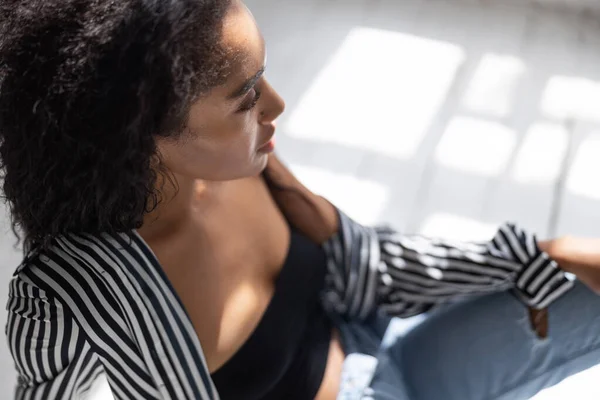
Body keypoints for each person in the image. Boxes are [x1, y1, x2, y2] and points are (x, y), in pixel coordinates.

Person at [2, 0, 600, 399]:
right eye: (247, 96)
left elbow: (369, 261)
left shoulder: (241, 165)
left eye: (265, 75)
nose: (277, 105)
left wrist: (543, 254)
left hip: (382, 334)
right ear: (140, 129)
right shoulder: (79, 291)